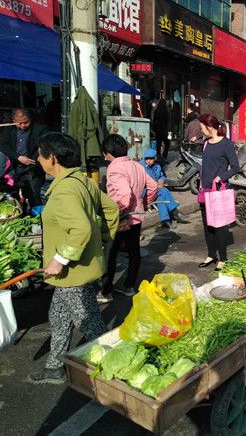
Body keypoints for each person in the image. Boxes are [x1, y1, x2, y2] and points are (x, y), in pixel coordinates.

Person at [27, 133, 119, 384]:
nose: (38, 159)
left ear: (52, 158)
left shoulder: (64, 190)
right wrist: (102, 238)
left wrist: (59, 260)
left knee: (92, 327)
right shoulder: (83, 181)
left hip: (73, 274)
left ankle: (118, 374)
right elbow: (111, 210)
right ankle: (54, 367)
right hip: (83, 268)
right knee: (58, 315)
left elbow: (80, 229)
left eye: (40, 154)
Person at [99, 134, 157, 301]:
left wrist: (119, 212)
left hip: (121, 217)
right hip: (136, 216)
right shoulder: (137, 165)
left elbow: (124, 195)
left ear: (108, 152)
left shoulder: (115, 168)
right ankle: (129, 286)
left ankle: (105, 291)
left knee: (110, 253)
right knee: (133, 251)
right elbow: (153, 186)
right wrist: (145, 203)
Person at [197, 113, 239, 271]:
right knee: (207, 225)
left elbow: (235, 167)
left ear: (209, 127)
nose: (201, 130)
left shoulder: (226, 144)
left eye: (202, 127)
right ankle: (211, 254)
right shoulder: (206, 143)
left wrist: (221, 177)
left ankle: (223, 258)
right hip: (205, 190)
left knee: (220, 226)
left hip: (219, 191)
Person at [0, 108, 48, 209]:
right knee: (13, 197)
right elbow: (3, 146)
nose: (23, 126)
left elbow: (44, 147)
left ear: (30, 118)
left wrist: (31, 160)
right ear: (13, 120)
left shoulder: (40, 129)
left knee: (34, 196)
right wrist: (18, 157)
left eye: (26, 122)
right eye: (19, 123)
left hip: (32, 168)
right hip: (15, 168)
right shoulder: (10, 129)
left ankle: (36, 215)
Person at [140, 148, 189, 229]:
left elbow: (161, 176)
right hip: (145, 194)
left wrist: (161, 180)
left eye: (151, 158)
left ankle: (165, 220)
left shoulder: (157, 166)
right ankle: (175, 211)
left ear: (154, 158)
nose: (149, 160)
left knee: (161, 198)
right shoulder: (140, 167)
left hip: (155, 192)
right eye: (147, 159)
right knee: (164, 191)